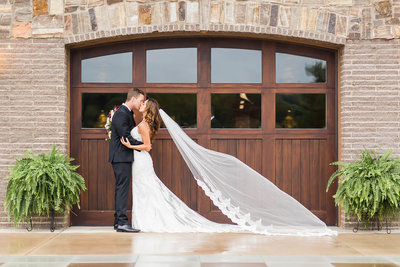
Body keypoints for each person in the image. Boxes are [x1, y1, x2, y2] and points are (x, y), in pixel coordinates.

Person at [121, 98, 337, 236]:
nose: (140, 104)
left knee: (148, 191)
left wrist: (130, 144)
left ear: (147, 109)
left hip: (142, 161)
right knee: (145, 192)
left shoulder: (144, 125)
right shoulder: (142, 123)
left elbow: (147, 146)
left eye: (143, 103)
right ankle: (145, 219)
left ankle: (150, 220)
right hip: (138, 162)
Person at [109, 88, 149, 233]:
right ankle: (121, 223)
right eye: (141, 101)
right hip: (120, 157)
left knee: (121, 188)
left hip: (123, 157)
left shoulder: (127, 113)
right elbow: (126, 137)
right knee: (122, 189)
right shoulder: (121, 114)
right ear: (133, 99)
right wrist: (145, 146)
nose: (141, 104)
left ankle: (118, 221)